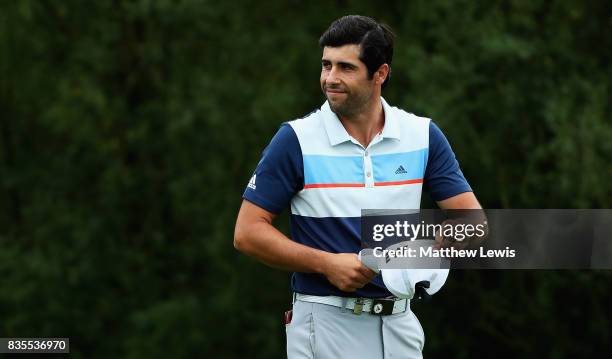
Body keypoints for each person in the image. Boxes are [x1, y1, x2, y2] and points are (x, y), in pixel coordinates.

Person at [234, 15, 482, 359]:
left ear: (380, 74)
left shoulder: (422, 135)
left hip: (401, 327)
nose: (330, 79)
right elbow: (247, 232)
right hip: (324, 323)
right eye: (326, 65)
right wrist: (326, 263)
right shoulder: (295, 139)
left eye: (345, 68)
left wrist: (426, 250)